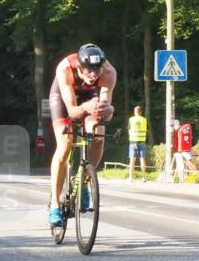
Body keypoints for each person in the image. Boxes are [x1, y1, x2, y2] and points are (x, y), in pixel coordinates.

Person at [48, 44, 117, 227]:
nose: (94, 74)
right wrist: (85, 107)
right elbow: (71, 111)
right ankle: (55, 205)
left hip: (90, 97)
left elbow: (105, 112)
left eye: (97, 70)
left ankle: (85, 181)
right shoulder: (65, 69)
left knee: (98, 136)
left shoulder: (109, 73)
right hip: (65, 99)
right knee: (65, 144)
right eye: (89, 70)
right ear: (79, 67)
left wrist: (108, 110)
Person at [126, 106, 148, 182]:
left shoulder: (131, 120)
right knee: (142, 159)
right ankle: (144, 177)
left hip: (133, 142)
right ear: (141, 112)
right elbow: (146, 129)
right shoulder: (144, 120)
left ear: (134, 112)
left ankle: (131, 177)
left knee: (132, 160)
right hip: (142, 141)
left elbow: (128, 130)